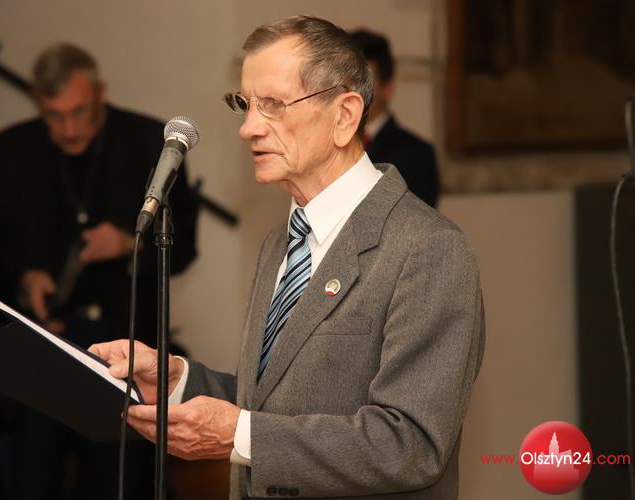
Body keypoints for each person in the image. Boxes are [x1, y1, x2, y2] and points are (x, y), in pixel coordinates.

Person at [91, 15, 484, 499]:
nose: (248, 128)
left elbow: (411, 445)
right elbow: (277, 401)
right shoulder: (281, 242)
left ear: (344, 115)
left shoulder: (427, 248)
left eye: (273, 105)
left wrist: (240, 436)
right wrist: (180, 380)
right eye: (245, 104)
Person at [0, 43, 198, 499]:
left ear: (99, 93)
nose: (70, 129)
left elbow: (185, 249)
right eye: (55, 116)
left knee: (119, 479)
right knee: (32, 476)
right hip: (42, 345)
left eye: (79, 112)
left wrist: (126, 244)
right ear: (39, 103)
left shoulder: (148, 145)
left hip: (124, 343)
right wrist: (24, 279)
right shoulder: (10, 151)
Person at [349, 29, 441, 208]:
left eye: (365, 83)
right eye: (347, 82)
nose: (354, 93)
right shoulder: (327, 145)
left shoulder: (416, 155)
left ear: (388, 88)